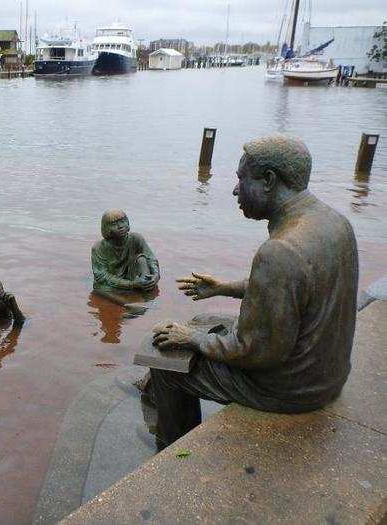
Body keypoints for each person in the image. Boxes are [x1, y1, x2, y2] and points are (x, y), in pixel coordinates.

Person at [148, 135, 359, 447]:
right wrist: (225, 288)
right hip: (328, 375)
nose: (236, 190)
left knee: (166, 364)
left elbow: (255, 352)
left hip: (291, 388)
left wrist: (192, 339)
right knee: (207, 317)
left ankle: (172, 447)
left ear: (269, 180)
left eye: (240, 179)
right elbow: (298, 290)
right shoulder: (335, 222)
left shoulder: (279, 251)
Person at [91, 209, 160, 308]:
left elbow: (151, 259)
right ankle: (128, 304)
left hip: (132, 277)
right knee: (101, 288)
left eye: (122, 221)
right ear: (106, 228)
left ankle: (146, 290)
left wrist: (156, 276)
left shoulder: (136, 238)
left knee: (142, 259)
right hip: (111, 285)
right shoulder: (99, 248)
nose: (120, 226)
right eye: (114, 224)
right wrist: (130, 284)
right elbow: (101, 276)